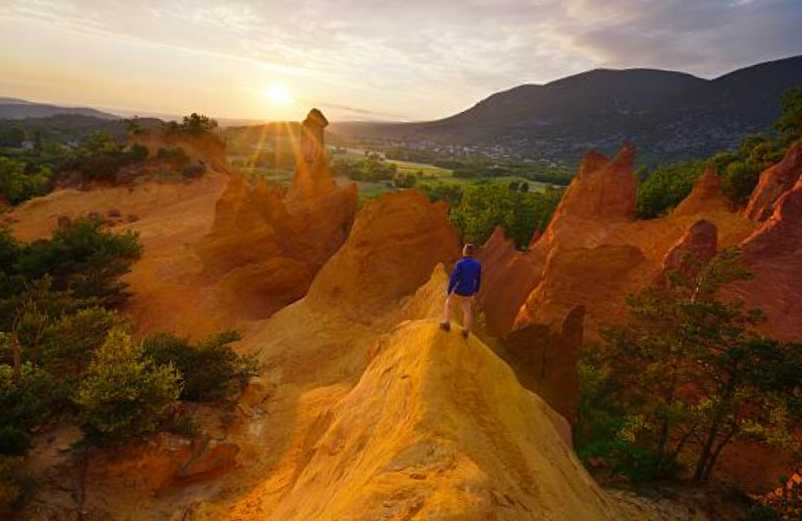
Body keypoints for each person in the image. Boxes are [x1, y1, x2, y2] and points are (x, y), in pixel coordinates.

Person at [440, 243, 482, 339]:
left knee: (448, 303)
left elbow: (454, 278)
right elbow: (478, 279)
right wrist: (476, 290)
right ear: (472, 253)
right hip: (469, 291)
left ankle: (446, 323)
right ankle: (466, 330)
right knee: (467, 309)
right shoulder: (477, 264)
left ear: (465, 252)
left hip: (459, 290)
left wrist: (449, 291)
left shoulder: (460, 264)